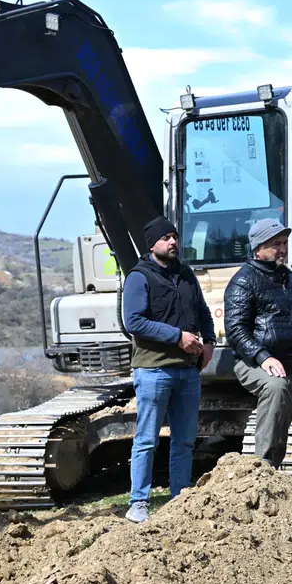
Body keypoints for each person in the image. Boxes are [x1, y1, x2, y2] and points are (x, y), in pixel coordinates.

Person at [121, 216, 216, 523]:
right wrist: (176, 337)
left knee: (185, 440)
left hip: (188, 372)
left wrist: (210, 341)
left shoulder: (186, 274)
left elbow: (202, 311)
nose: (173, 242)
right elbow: (133, 321)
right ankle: (138, 503)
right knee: (146, 439)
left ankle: (180, 500)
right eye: (166, 238)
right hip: (154, 371)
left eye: (175, 237)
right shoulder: (139, 277)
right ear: (152, 244)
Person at [225, 218, 292, 467]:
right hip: (254, 361)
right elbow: (236, 331)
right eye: (276, 244)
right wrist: (264, 357)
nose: (283, 249)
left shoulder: (289, 279)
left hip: (289, 363)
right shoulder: (243, 281)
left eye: (285, 242)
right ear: (258, 247)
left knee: (283, 420)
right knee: (275, 388)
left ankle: (274, 471)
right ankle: (261, 466)